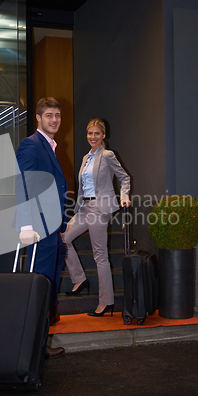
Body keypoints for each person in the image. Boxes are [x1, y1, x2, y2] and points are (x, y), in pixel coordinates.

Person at [62, 118, 131, 316]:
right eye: (90, 133)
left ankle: (106, 301)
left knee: (100, 256)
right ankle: (80, 279)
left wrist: (124, 196)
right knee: (63, 239)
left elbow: (124, 177)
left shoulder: (108, 155)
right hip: (84, 207)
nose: (93, 137)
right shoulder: (86, 158)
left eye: (97, 133)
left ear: (103, 136)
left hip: (100, 208)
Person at [16, 97, 68, 358]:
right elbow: (23, 185)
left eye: (57, 115)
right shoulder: (31, 145)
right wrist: (25, 224)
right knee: (39, 284)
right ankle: (35, 347)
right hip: (37, 228)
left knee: (47, 285)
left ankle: (40, 342)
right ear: (38, 118)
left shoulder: (50, 146)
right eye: (49, 115)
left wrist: (61, 224)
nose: (54, 119)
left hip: (51, 227)